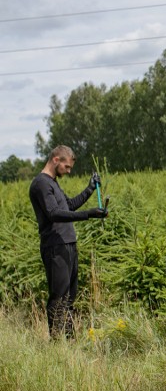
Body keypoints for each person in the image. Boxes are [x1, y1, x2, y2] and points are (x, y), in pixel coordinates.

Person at [29, 145, 108, 339]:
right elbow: (54, 214)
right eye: (67, 166)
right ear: (56, 160)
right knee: (59, 296)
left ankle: (70, 340)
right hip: (55, 247)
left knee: (70, 298)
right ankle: (56, 343)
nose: (69, 171)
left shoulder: (53, 183)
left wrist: (90, 188)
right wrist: (88, 214)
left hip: (68, 244)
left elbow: (69, 206)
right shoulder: (41, 184)